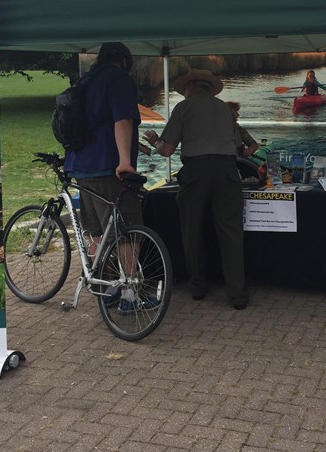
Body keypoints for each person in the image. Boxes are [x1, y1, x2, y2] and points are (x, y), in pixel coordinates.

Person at [143, 69, 248, 310]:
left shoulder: (183, 108)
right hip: (227, 171)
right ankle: (238, 294)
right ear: (209, 88)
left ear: (191, 86)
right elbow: (239, 146)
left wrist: (155, 142)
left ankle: (198, 286)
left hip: (196, 172)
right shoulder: (225, 109)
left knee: (192, 230)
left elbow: (167, 150)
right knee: (231, 234)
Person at [64, 41, 148, 315]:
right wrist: (125, 160)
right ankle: (129, 295)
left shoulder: (85, 80)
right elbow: (122, 120)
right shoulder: (119, 79)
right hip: (108, 168)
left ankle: (106, 287)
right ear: (125, 61)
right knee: (128, 232)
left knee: (97, 231)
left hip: (80, 167)